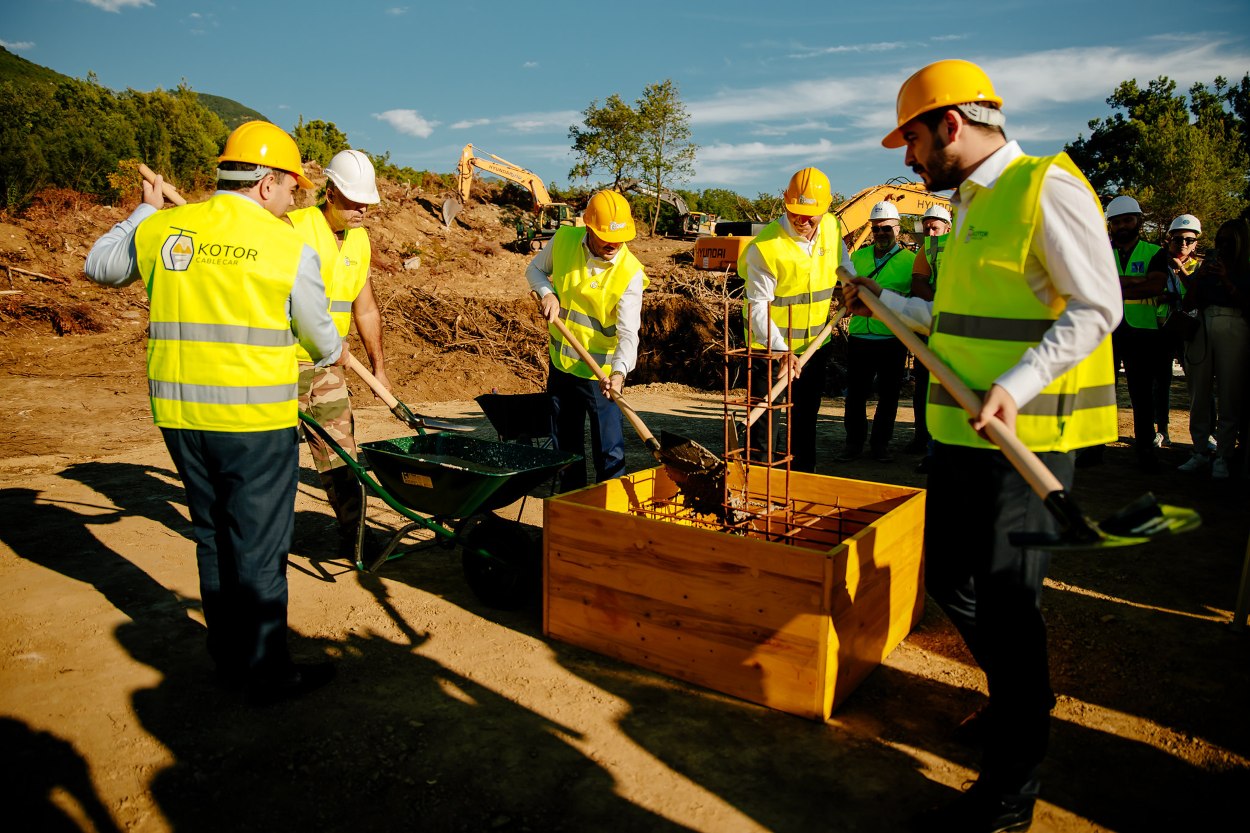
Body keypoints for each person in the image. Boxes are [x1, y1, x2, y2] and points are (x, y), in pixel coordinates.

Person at [845, 59, 1121, 832]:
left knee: (1006, 602)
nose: (907, 159)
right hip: (959, 435)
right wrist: (881, 298)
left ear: (951, 125)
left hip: (1023, 437)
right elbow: (954, 319)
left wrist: (1019, 384)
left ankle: (1010, 791)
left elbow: (1099, 305)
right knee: (953, 581)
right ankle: (1020, 696)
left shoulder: (1046, 188)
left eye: (913, 140)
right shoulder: (967, 206)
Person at [84, 121, 345, 705]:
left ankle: (230, 658)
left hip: (179, 416)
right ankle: (266, 673)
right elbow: (322, 342)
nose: (294, 198)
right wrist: (332, 348)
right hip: (254, 423)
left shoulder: (165, 228)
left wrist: (140, 215)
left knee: (213, 536)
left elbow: (98, 268)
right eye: (293, 188)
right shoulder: (286, 247)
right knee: (258, 547)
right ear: (266, 183)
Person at [288, 149, 388, 559]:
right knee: (272, 458)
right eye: (353, 200)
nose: (362, 209)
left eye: (367, 201)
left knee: (343, 455)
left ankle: (355, 535)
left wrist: (380, 369)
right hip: (281, 366)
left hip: (331, 367)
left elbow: (363, 307)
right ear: (330, 192)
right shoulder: (293, 228)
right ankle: (260, 537)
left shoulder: (360, 241)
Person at [527, 190, 647, 491]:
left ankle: (610, 514)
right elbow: (535, 269)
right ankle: (572, 509)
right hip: (562, 365)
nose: (614, 245)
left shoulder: (630, 273)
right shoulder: (564, 240)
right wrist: (547, 293)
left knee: (609, 450)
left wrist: (618, 374)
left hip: (601, 373)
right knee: (566, 449)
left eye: (619, 239)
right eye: (606, 236)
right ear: (589, 229)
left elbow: (628, 332)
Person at [738, 167, 852, 472]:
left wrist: (852, 288)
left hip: (815, 348)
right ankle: (755, 489)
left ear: (826, 207)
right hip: (768, 351)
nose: (802, 220)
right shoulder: (765, 247)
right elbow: (758, 309)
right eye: (794, 213)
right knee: (763, 428)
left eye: (809, 214)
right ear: (785, 203)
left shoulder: (831, 227)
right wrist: (781, 351)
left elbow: (845, 265)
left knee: (804, 425)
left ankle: (801, 485)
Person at [839, 201, 915, 463]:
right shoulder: (857, 257)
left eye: (886, 228)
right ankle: (853, 444)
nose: (881, 233)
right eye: (876, 228)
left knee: (889, 395)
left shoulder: (910, 261)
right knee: (856, 394)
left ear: (897, 228)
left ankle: (880, 445)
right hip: (860, 336)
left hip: (892, 338)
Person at [1174, 218, 1250, 479]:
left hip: (1234, 325)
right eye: (1219, 242)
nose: (1223, 247)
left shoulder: (1245, 269)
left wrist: (1227, 280)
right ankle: (1199, 451)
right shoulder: (1206, 268)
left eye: (1229, 242)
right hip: (1202, 326)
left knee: (1230, 393)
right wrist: (1198, 278)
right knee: (1198, 391)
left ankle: (1224, 456)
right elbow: (1187, 302)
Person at [1107, 195, 1167, 470]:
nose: (1122, 226)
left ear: (1139, 221)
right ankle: (1095, 445)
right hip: (1106, 329)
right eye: (1116, 222)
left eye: (1127, 220)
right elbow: (1090, 282)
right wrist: (1135, 281)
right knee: (1102, 390)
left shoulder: (1154, 252)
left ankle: (1145, 447)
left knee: (1141, 393)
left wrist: (1113, 284)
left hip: (1142, 331)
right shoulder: (1100, 251)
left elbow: (1155, 287)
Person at [1147, 214, 1204, 452]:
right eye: (1178, 238)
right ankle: (1163, 430)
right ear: (1169, 239)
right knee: (1160, 383)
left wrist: (1180, 270)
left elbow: (1200, 294)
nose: (1183, 244)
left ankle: (1205, 433)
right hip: (1162, 328)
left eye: (1189, 240)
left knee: (1198, 383)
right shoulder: (1157, 261)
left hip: (1190, 330)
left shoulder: (1201, 266)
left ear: (1196, 243)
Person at [906, 204, 952, 465]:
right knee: (925, 386)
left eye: (934, 227)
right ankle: (923, 439)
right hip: (933, 325)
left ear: (947, 226)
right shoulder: (928, 249)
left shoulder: (961, 245)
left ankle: (938, 447)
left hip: (954, 327)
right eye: (926, 228)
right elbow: (918, 282)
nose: (930, 233)